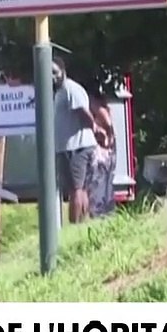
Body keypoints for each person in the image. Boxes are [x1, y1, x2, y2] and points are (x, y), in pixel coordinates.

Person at [52, 58, 98, 224]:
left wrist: (95, 128)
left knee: (76, 190)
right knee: (79, 190)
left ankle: (75, 226)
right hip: (69, 148)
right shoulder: (60, 91)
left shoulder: (70, 89)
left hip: (76, 148)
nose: (52, 76)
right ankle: (82, 225)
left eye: (55, 72)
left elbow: (82, 112)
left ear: (63, 71)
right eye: (49, 73)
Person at [88, 94, 118, 217]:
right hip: (106, 147)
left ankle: (99, 212)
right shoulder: (101, 102)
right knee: (105, 181)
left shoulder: (91, 100)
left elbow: (104, 117)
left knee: (99, 180)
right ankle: (105, 211)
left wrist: (107, 134)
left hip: (102, 148)